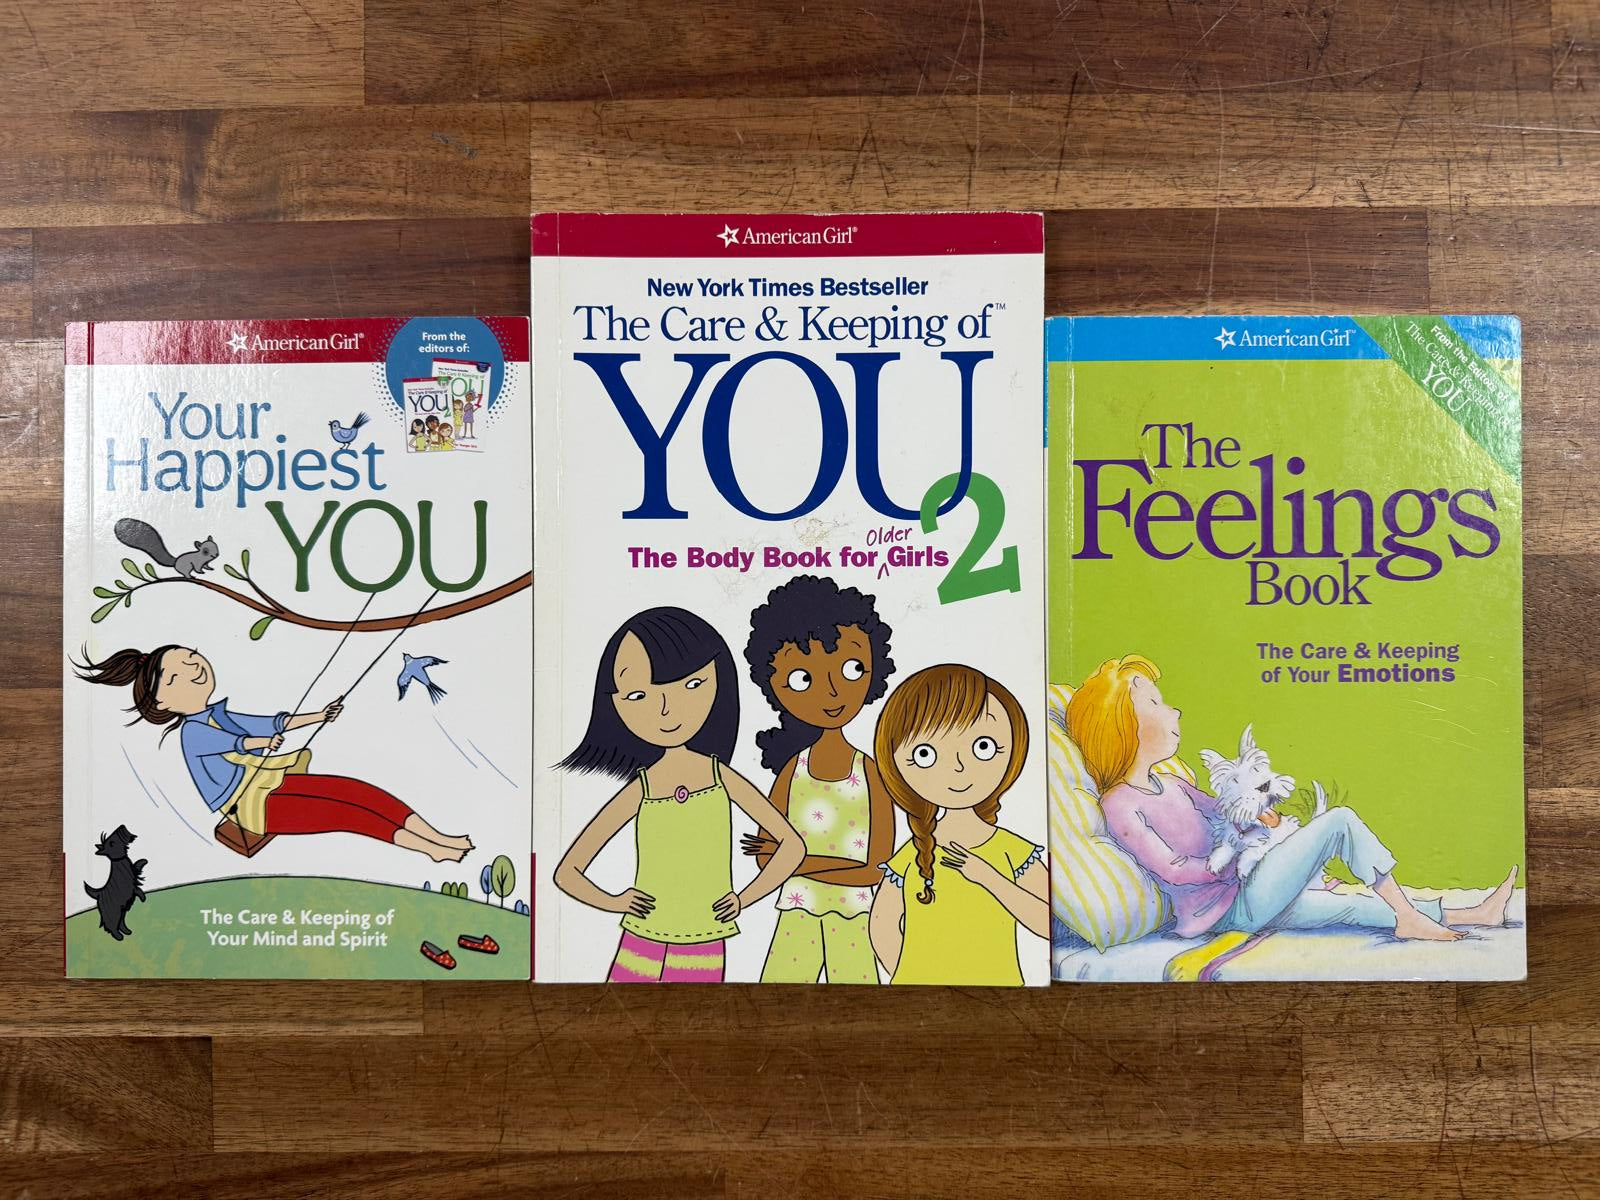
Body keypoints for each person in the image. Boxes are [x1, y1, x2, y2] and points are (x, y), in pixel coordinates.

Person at [1066, 654, 1519, 941]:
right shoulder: (1120, 803)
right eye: (1155, 703)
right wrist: (1233, 862)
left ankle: (1473, 913)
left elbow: (1228, 815)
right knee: (1339, 820)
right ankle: (1408, 916)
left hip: (1250, 892)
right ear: (1120, 727)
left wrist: (1264, 825)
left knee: (1351, 907)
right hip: (1226, 909)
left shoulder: (1173, 783)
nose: (1174, 710)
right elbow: (1173, 868)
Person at [555, 606, 804, 983]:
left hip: (704, 938)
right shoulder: (642, 788)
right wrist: (614, 902)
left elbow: (792, 846)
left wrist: (744, 898)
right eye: (638, 695)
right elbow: (567, 873)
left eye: (691, 685)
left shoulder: (721, 778)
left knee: (692, 1018)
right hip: (641, 936)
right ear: (613, 704)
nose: (666, 709)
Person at [75, 645, 472, 861]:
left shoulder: (220, 714)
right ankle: (430, 849)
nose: (194, 666)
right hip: (251, 807)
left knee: (355, 791)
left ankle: (436, 837)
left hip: (271, 781)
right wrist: (260, 744)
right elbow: (234, 745)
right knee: (347, 814)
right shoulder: (192, 732)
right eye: (177, 673)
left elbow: (271, 723)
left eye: (191, 656)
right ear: (161, 702)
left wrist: (319, 715)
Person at [741, 576, 895, 984]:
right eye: (803, 679)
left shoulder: (870, 773)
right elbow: (764, 858)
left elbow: (877, 868)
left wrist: (796, 861)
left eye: (851, 669)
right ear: (775, 687)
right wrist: (836, 866)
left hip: (856, 917)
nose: (831, 693)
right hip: (796, 913)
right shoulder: (793, 771)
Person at [868, 665, 1048, 985]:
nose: (959, 767)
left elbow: (1051, 925)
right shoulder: (912, 853)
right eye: (925, 754)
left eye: (983, 747)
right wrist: (913, 977)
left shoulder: (1013, 851)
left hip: (1001, 991)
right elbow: (882, 926)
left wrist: (989, 878)